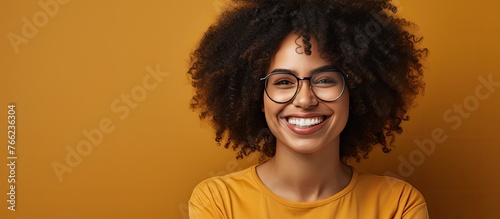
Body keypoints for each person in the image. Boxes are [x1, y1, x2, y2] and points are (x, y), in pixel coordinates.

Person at [187, 0, 429, 218]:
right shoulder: (217, 202)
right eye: (283, 82)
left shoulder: (399, 205)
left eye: (324, 80)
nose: (305, 100)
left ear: (353, 93)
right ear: (258, 99)